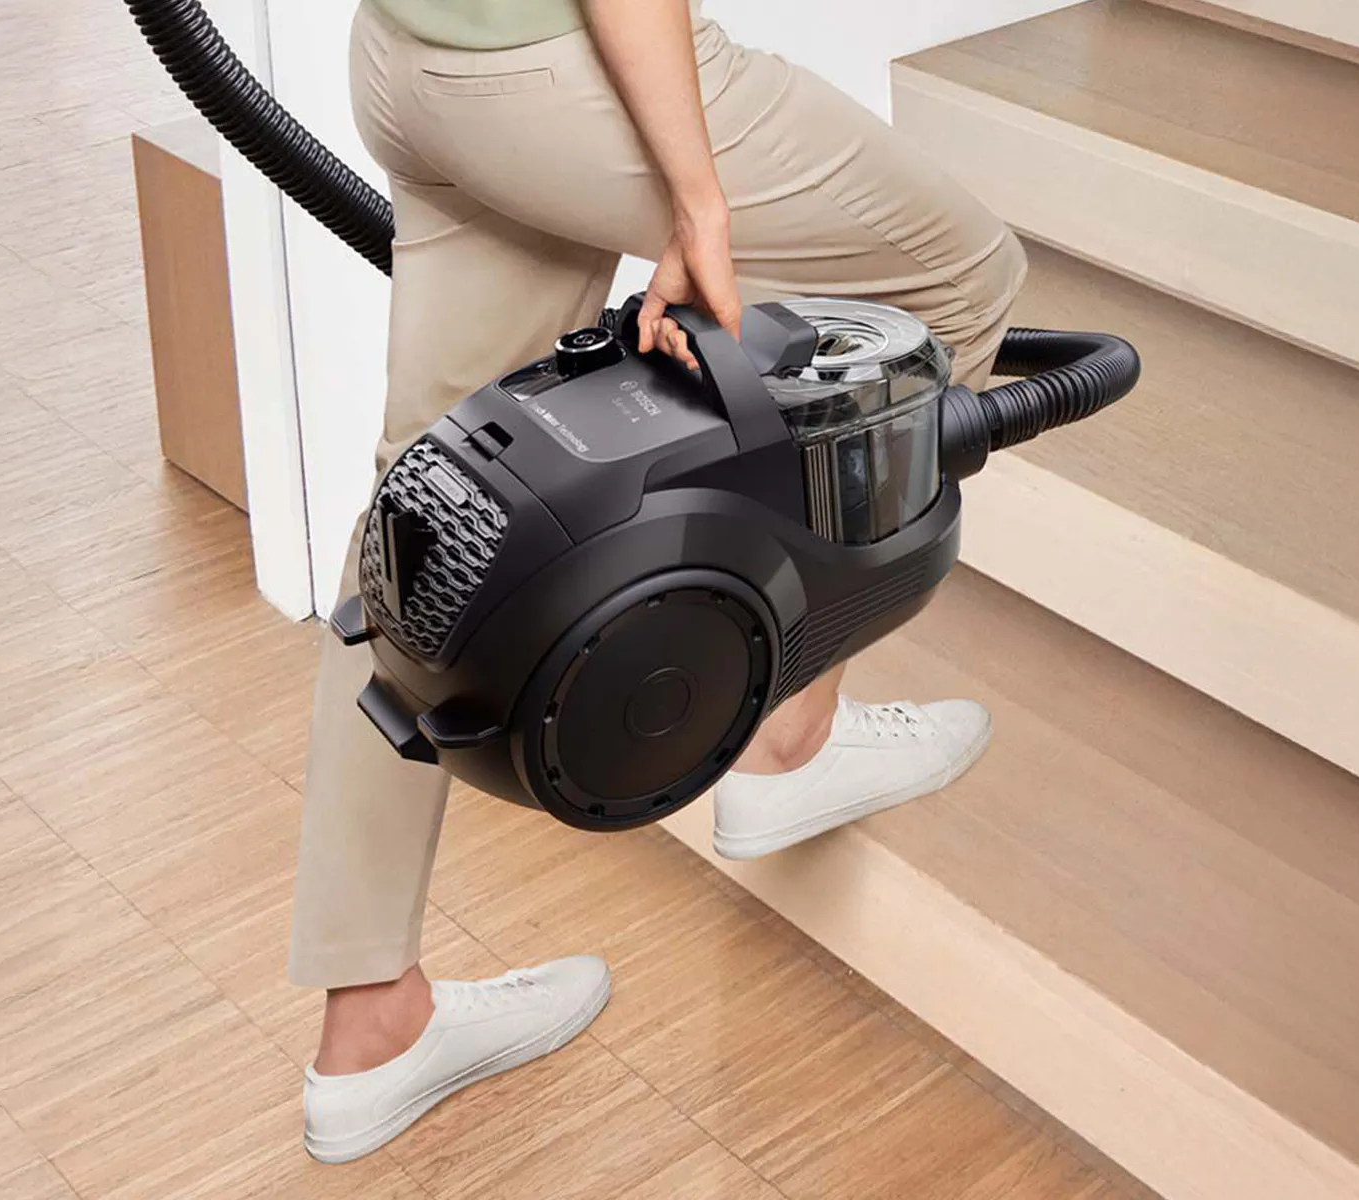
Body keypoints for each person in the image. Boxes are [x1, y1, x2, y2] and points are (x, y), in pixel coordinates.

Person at [291, 0, 1026, 1165]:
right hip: (549, 64)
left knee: (433, 503)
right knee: (963, 266)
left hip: (412, 54)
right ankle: (792, 735)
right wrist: (698, 200)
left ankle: (371, 1018)